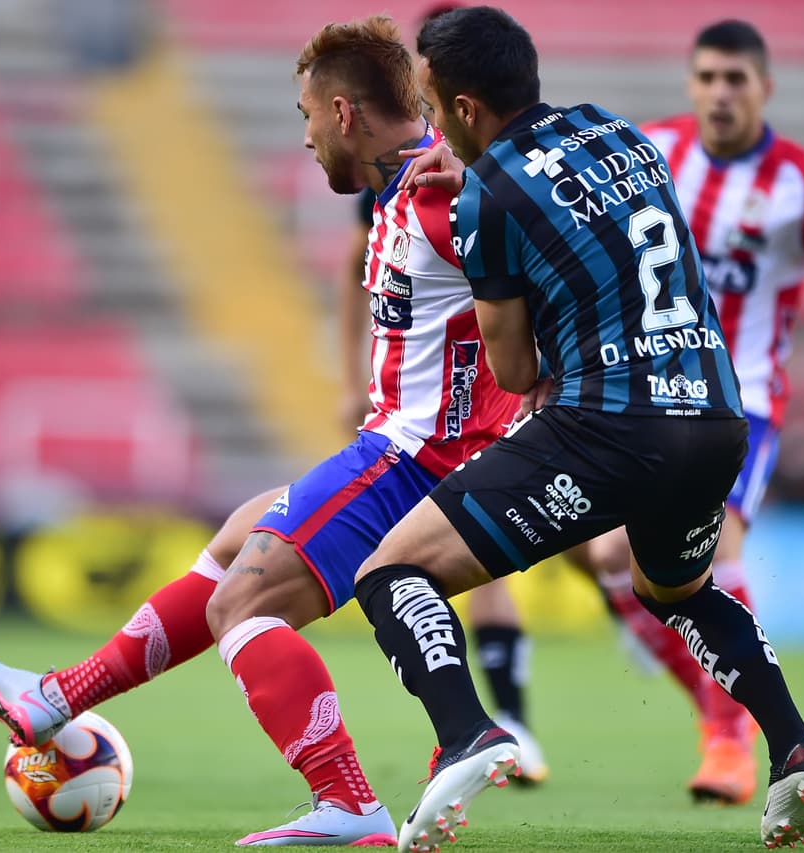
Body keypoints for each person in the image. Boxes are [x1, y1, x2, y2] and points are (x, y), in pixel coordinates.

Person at [0, 15, 522, 848]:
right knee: (236, 541)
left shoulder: (441, 193)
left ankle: (348, 804)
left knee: (243, 604)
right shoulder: (406, 185)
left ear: (343, 113)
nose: (303, 139)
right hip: (406, 448)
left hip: (418, 461)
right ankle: (56, 697)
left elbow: (533, 269)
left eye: (306, 116)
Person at [351, 7, 804, 851]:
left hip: (609, 423)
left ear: (465, 107)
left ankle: (470, 732)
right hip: (717, 414)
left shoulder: (487, 197)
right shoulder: (615, 129)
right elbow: (588, 214)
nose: (427, 122)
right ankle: (794, 743)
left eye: (433, 102)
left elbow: (511, 374)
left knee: (391, 571)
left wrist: (480, 209)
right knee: (674, 589)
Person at [462, 17, 804, 807]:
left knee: (712, 554)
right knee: (609, 563)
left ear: (765, 87)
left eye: (736, 79)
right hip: (639, 389)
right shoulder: (649, 150)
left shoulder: (799, 182)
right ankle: (715, 712)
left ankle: (739, 738)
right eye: (707, 78)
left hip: (742, 398)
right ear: (691, 86)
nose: (720, 94)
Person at [336, 0, 550, 787]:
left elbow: (526, 269)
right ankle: (486, 725)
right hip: (439, 403)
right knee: (440, 563)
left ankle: (487, 725)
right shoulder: (400, 173)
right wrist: (349, 374)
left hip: (486, 404)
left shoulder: (476, 174)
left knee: (419, 566)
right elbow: (360, 274)